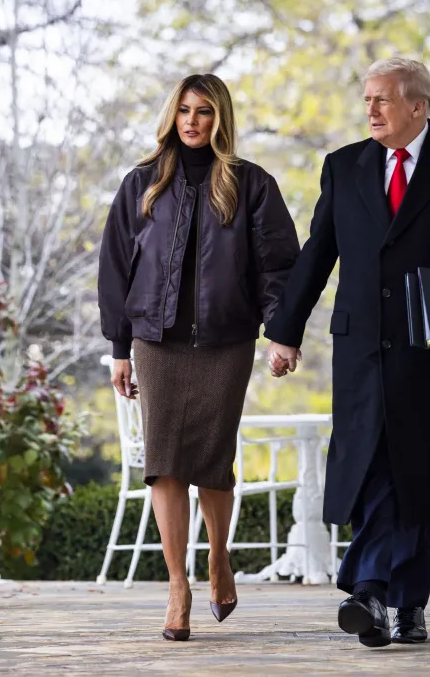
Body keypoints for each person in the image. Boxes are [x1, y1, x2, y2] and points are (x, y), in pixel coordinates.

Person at [264, 58, 430, 647]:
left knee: (417, 475)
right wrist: (285, 331)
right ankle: (394, 603)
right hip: (362, 350)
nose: (370, 110)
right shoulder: (344, 166)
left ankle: (379, 595)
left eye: (383, 100)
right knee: (376, 470)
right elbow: (317, 253)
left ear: (418, 105)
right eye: (367, 99)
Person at [97, 73, 300, 641]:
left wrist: (282, 335)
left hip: (225, 342)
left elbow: (280, 267)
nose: (192, 120)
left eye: (204, 111)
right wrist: (119, 349)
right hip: (155, 344)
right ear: (172, 114)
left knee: (212, 461)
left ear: (220, 119)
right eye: (184, 110)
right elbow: (115, 270)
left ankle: (218, 557)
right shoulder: (142, 183)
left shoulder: (251, 184)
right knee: (163, 461)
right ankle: (177, 587)